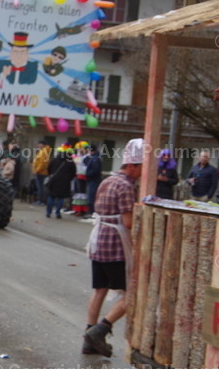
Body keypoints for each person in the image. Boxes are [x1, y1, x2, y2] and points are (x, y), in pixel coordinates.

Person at [83, 138, 145, 357]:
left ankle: (89, 336)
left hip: (99, 241)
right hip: (114, 246)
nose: (141, 173)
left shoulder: (107, 181)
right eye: (141, 167)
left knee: (100, 288)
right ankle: (101, 329)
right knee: (131, 294)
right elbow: (128, 222)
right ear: (132, 165)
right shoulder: (126, 186)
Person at [45, 144, 75, 218]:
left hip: (54, 180)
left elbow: (48, 168)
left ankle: (48, 212)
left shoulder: (55, 159)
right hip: (65, 181)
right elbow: (73, 172)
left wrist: (51, 175)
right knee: (60, 198)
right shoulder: (70, 161)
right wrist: (68, 179)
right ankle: (58, 213)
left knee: (51, 196)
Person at [84, 144, 103, 216]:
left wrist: (87, 174)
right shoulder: (94, 158)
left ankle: (91, 212)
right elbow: (85, 161)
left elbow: (95, 170)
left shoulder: (95, 159)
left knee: (91, 196)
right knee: (91, 195)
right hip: (93, 179)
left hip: (93, 180)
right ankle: (91, 211)